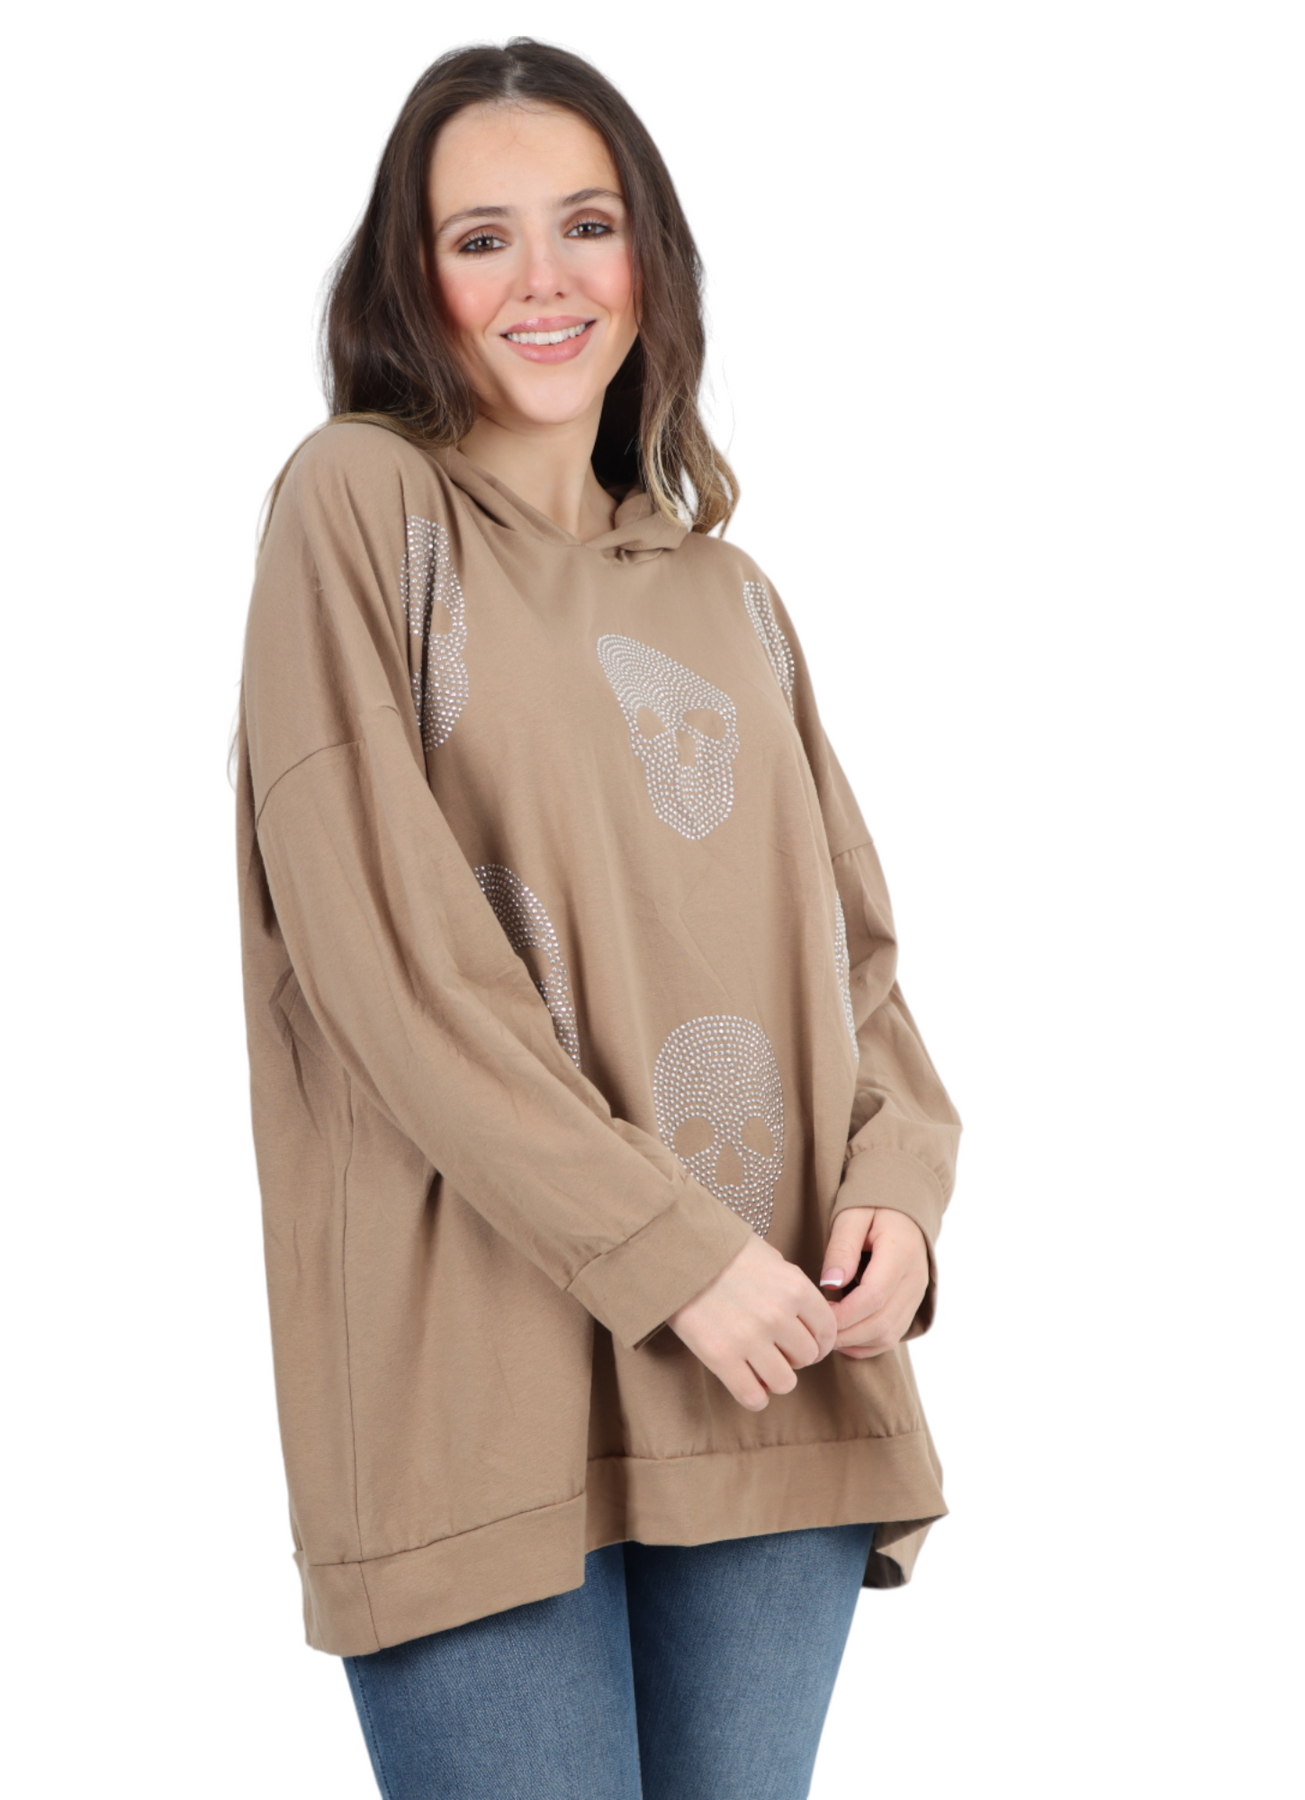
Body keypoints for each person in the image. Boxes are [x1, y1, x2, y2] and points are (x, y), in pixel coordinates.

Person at [234, 36, 961, 1800]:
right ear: (411, 281)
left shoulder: (730, 594)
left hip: (771, 1354)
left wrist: (899, 1192)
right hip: (478, 1374)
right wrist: (667, 1255)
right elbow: (388, 960)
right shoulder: (361, 504)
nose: (544, 280)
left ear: (652, 259)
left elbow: (852, 958)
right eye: (480, 239)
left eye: (587, 223)